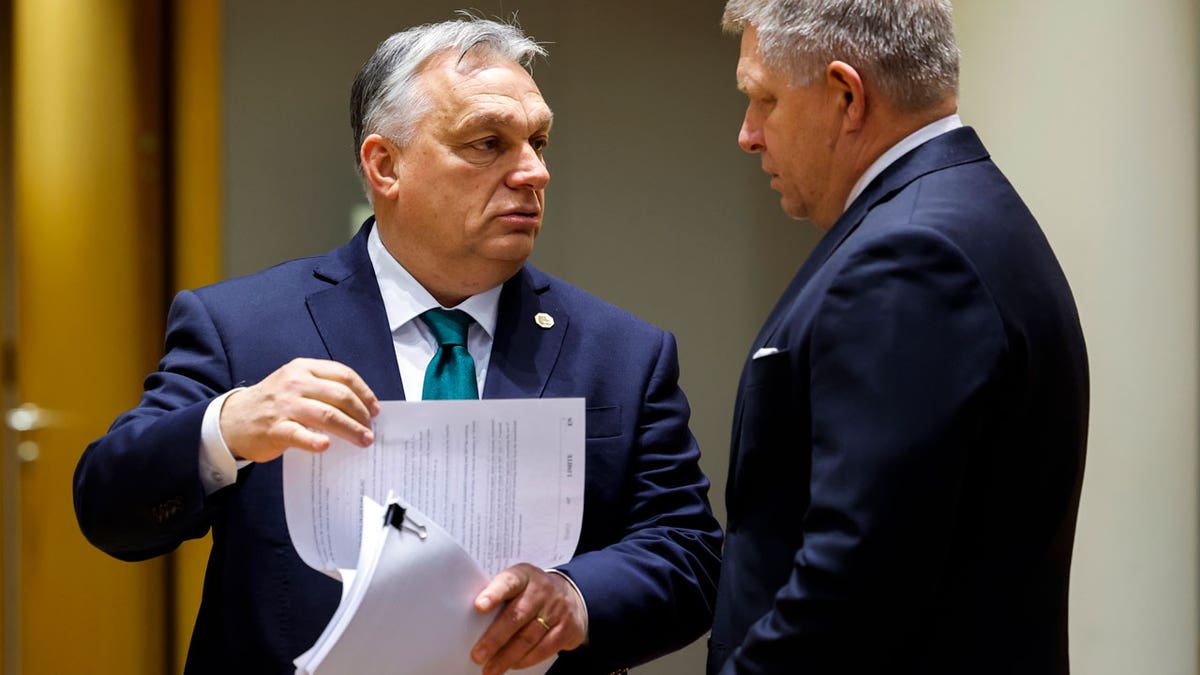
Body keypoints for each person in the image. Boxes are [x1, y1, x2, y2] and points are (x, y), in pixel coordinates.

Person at [74, 16, 722, 675]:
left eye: (539, 142)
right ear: (386, 165)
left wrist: (577, 598)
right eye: (489, 143)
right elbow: (108, 508)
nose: (532, 172)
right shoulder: (242, 327)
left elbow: (689, 552)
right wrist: (227, 428)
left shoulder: (622, 352)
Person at [707, 1, 1089, 674]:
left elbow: (852, 588)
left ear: (846, 95)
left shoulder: (911, 256)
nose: (748, 133)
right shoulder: (965, 210)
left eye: (762, 99)